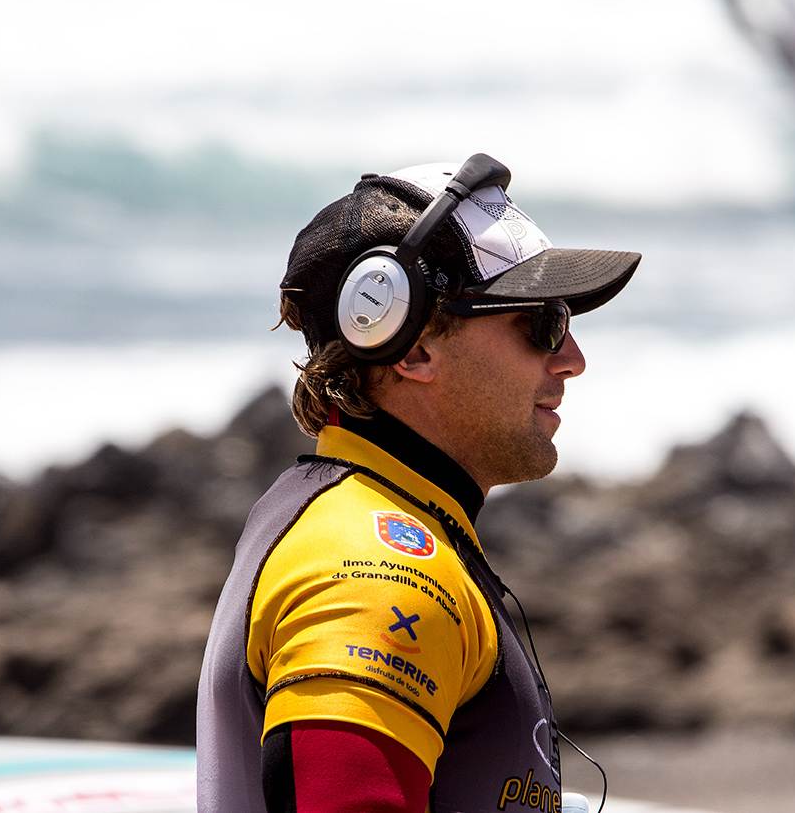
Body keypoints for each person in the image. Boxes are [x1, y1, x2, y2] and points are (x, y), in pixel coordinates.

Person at [196, 154, 640, 813]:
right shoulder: (375, 574)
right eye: (543, 324)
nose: (572, 360)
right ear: (412, 349)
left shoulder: (348, 516)